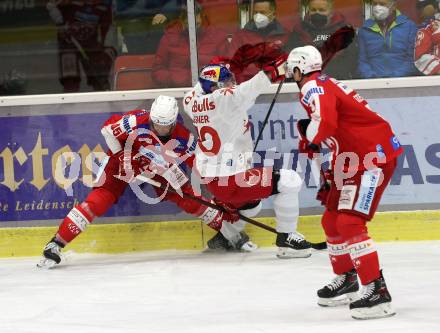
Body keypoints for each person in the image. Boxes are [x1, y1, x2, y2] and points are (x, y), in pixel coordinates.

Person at [37, 95, 254, 269]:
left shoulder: (183, 139)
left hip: (159, 165)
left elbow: (201, 167)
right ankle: (56, 243)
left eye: (163, 126)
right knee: (98, 201)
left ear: (173, 122)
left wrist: (221, 194)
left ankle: (231, 233)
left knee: (187, 197)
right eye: (155, 124)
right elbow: (107, 130)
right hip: (123, 159)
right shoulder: (135, 120)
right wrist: (120, 153)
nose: (157, 129)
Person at [285, 45, 403, 319]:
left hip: (372, 158)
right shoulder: (323, 83)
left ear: (299, 69)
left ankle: (377, 291)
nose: (291, 75)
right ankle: (348, 278)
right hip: (353, 159)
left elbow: (324, 123)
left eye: (292, 70)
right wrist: (321, 154)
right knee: (331, 220)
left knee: (349, 222)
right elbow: (334, 126)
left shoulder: (312, 87)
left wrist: (311, 137)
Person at [182, 59, 313, 259]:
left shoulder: (191, 101)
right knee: (290, 180)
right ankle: (287, 239)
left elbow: (204, 85)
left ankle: (227, 235)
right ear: (216, 88)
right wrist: (273, 71)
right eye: (226, 82)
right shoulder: (225, 99)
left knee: (252, 204)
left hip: (215, 179)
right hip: (232, 180)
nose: (230, 84)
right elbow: (249, 89)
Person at [152, 2, 230, 88]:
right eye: (185, 17)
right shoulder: (170, 37)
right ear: (180, 19)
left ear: (202, 16)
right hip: (177, 92)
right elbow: (157, 70)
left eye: (196, 16)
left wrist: (208, 83)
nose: (191, 21)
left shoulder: (217, 37)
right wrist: (174, 80)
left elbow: (227, 67)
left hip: (209, 94)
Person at [46, 0, 116, 92]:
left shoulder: (104, 5)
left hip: (91, 45)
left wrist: (105, 50)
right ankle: (69, 100)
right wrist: (60, 24)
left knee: (98, 76)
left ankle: (101, 93)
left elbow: (107, 29)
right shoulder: (68, 2)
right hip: (68, 44)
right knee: (70, 78)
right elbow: (50, 5)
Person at [286, 0, 358, 79]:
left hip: (337, 80)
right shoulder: (299, 30)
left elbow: (351, 58)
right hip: (308, 81)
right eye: (313, 10)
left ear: (331, 11)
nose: (317, 13)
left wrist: (327, 75)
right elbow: (292, 56)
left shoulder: (344, 30)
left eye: (322, 10)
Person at [226, 0, 290, 83]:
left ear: (273, 14)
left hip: (277, 86)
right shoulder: (240, 36)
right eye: (256, 12)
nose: (258, 16)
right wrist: (243, 86)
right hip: (247, 86)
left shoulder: (285, 36)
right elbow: (233, 65)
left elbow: (289, 64)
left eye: (262, 12)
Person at [357, 0, 418, 78]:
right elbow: (362, 60)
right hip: (373, 82)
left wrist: (393, 78)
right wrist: (372, 77)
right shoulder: (365, 29)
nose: (377, 7)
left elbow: (413, 59)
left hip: (402, 82)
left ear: (394, 6)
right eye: (375, 4)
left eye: (382, 4)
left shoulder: (409, 26)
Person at [415, 1, 440, 75]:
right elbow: (421, 57)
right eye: (419, 7)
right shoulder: (428, 28)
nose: (421, 10)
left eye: (423, 6)